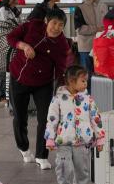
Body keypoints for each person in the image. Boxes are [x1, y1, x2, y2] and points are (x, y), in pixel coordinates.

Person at [7, 10, 70, 169]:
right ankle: (23, 147)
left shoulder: (61, 44)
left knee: (46, 119)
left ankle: (42, 156)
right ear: (46, 21)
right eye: (54, 23)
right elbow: (11, 37)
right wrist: (24, 46)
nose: (56, 28)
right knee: (20, 117)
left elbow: (61, 69)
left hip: (43, 83)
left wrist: (62, 89)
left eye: (61, 25)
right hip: (19, 77)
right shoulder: (32, 25)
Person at [45, 65, 105, 184]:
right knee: (63, 167)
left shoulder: (88, 100)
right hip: (63, 141)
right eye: (83, 81)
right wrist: (50, 138)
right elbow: (52, 119)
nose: (86, 84)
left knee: (81, 168)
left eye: (86, 81)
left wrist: (100, 138)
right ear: (72, 81)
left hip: (82, 142)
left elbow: (96, 118)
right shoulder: (58, 99)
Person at [74, 0, 107, 76]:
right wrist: (97, 29)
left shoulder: (104, 6)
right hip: (86, 48)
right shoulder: (80, 8)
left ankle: (99, 91)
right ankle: (88, 91)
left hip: (101, 46)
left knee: (101, 75)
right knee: (86, 75)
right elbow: (79, 29)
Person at [0, 0, 21, 103]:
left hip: (10, 42)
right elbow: (4, 27)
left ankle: (6, 94)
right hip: (2, 43)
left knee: (7, 68)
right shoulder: (3, 11)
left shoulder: (12, 10)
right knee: (2, 69)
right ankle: (0, 96)